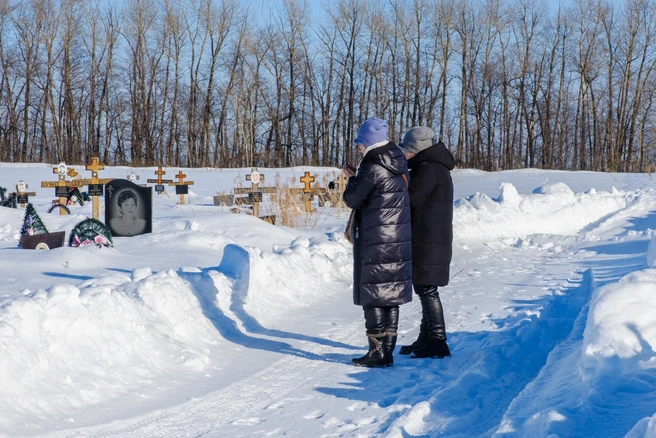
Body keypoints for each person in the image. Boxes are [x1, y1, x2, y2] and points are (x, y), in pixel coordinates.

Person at [342, 117, 413, 368]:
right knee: (390, 292)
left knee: (373, 292)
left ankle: (376, 352)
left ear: (369, 143)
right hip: (397, 236)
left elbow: (352, 199)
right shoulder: (397, 159)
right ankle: (387, 350)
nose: (359, 147)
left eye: (361, 143)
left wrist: (351, 178)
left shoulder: (372, 165)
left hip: (376, 237)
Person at [397, 126, 455, 359]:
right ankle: (426, 338)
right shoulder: (430, 167)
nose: (405, 155)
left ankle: (438, 341)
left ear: (417, 151)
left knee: (427, 290)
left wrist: (399, 179)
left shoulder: (430, 169)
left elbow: (412, 199)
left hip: (429, 239)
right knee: (424, 287)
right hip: (429, 238)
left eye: (408, 151)